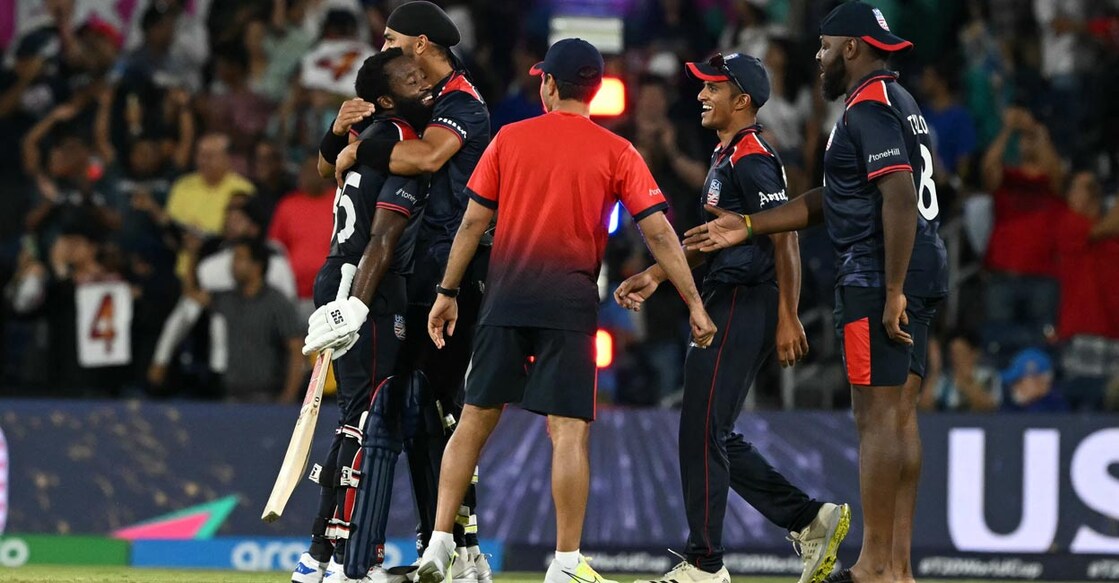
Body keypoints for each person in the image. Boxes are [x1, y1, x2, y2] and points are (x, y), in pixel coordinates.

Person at [416, 38, 716, 583]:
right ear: (595, 90)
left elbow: (471, 224)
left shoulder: (509, 139)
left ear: (549, 85)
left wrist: (446, 291)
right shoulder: (618, 151)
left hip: (505, 297)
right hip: (570, 302)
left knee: (474, 420)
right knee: (569, 432)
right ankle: (566, 564)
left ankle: (438, 544)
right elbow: (659, 233)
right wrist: (693, 302)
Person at [682, 4, 949, 583]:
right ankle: (898, 568)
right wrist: (751, 225)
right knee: (901, 419)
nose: (820, 58)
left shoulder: (868, 105)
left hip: (878, 275)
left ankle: (874, 567)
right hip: (919, 267)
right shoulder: (899, 101)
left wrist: (893, 288)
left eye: (826, 47)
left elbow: (898, 195)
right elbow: (837, 198)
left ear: (852, 48)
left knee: (876, 419)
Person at [616, 52, 850, 583]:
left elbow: (784, 231)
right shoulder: (729, 154)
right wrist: (657, 275)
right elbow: (714, 238)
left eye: (712, 88)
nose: (701, 94)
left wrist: (789, 314)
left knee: (702, 430)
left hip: (748, 298)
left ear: (741, 100)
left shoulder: (752, 155)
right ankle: (808, 518)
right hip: (730, 293)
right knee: (708, 430)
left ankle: (705, 564)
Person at [329, 2, 493, 578]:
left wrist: (360, 146)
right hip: (425, 272)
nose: (385, 48)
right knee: (429, 412)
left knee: (437, 411)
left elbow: (426, 158)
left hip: (456, 271)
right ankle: (451, 549)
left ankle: (459, 551)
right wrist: (341, 134)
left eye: (393, 39)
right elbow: (340, 171)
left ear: (421, 45)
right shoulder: (423, 100)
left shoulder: (460, 104)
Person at [292, 49, 432, 583]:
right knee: (366, 417)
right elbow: (386, 227)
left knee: (362, 413)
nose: (425, 84)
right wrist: (358, 300)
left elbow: (331, 167)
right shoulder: (395, 138)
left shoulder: (369, 139)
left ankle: (322, 554)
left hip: (347, 273)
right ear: (387, 99)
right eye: (412, 79)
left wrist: (338, 144)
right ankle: (338, 554)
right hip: (364, 281)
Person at [178, 237, 304, 402]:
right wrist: (193, 255)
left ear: (257, 266)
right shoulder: (229, 298)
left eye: (239, 258)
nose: (232, 265)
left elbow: (296, 350)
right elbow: (191, 293)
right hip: (232, 395)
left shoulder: (277, 303)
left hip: (267, 396)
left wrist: (289, 395)